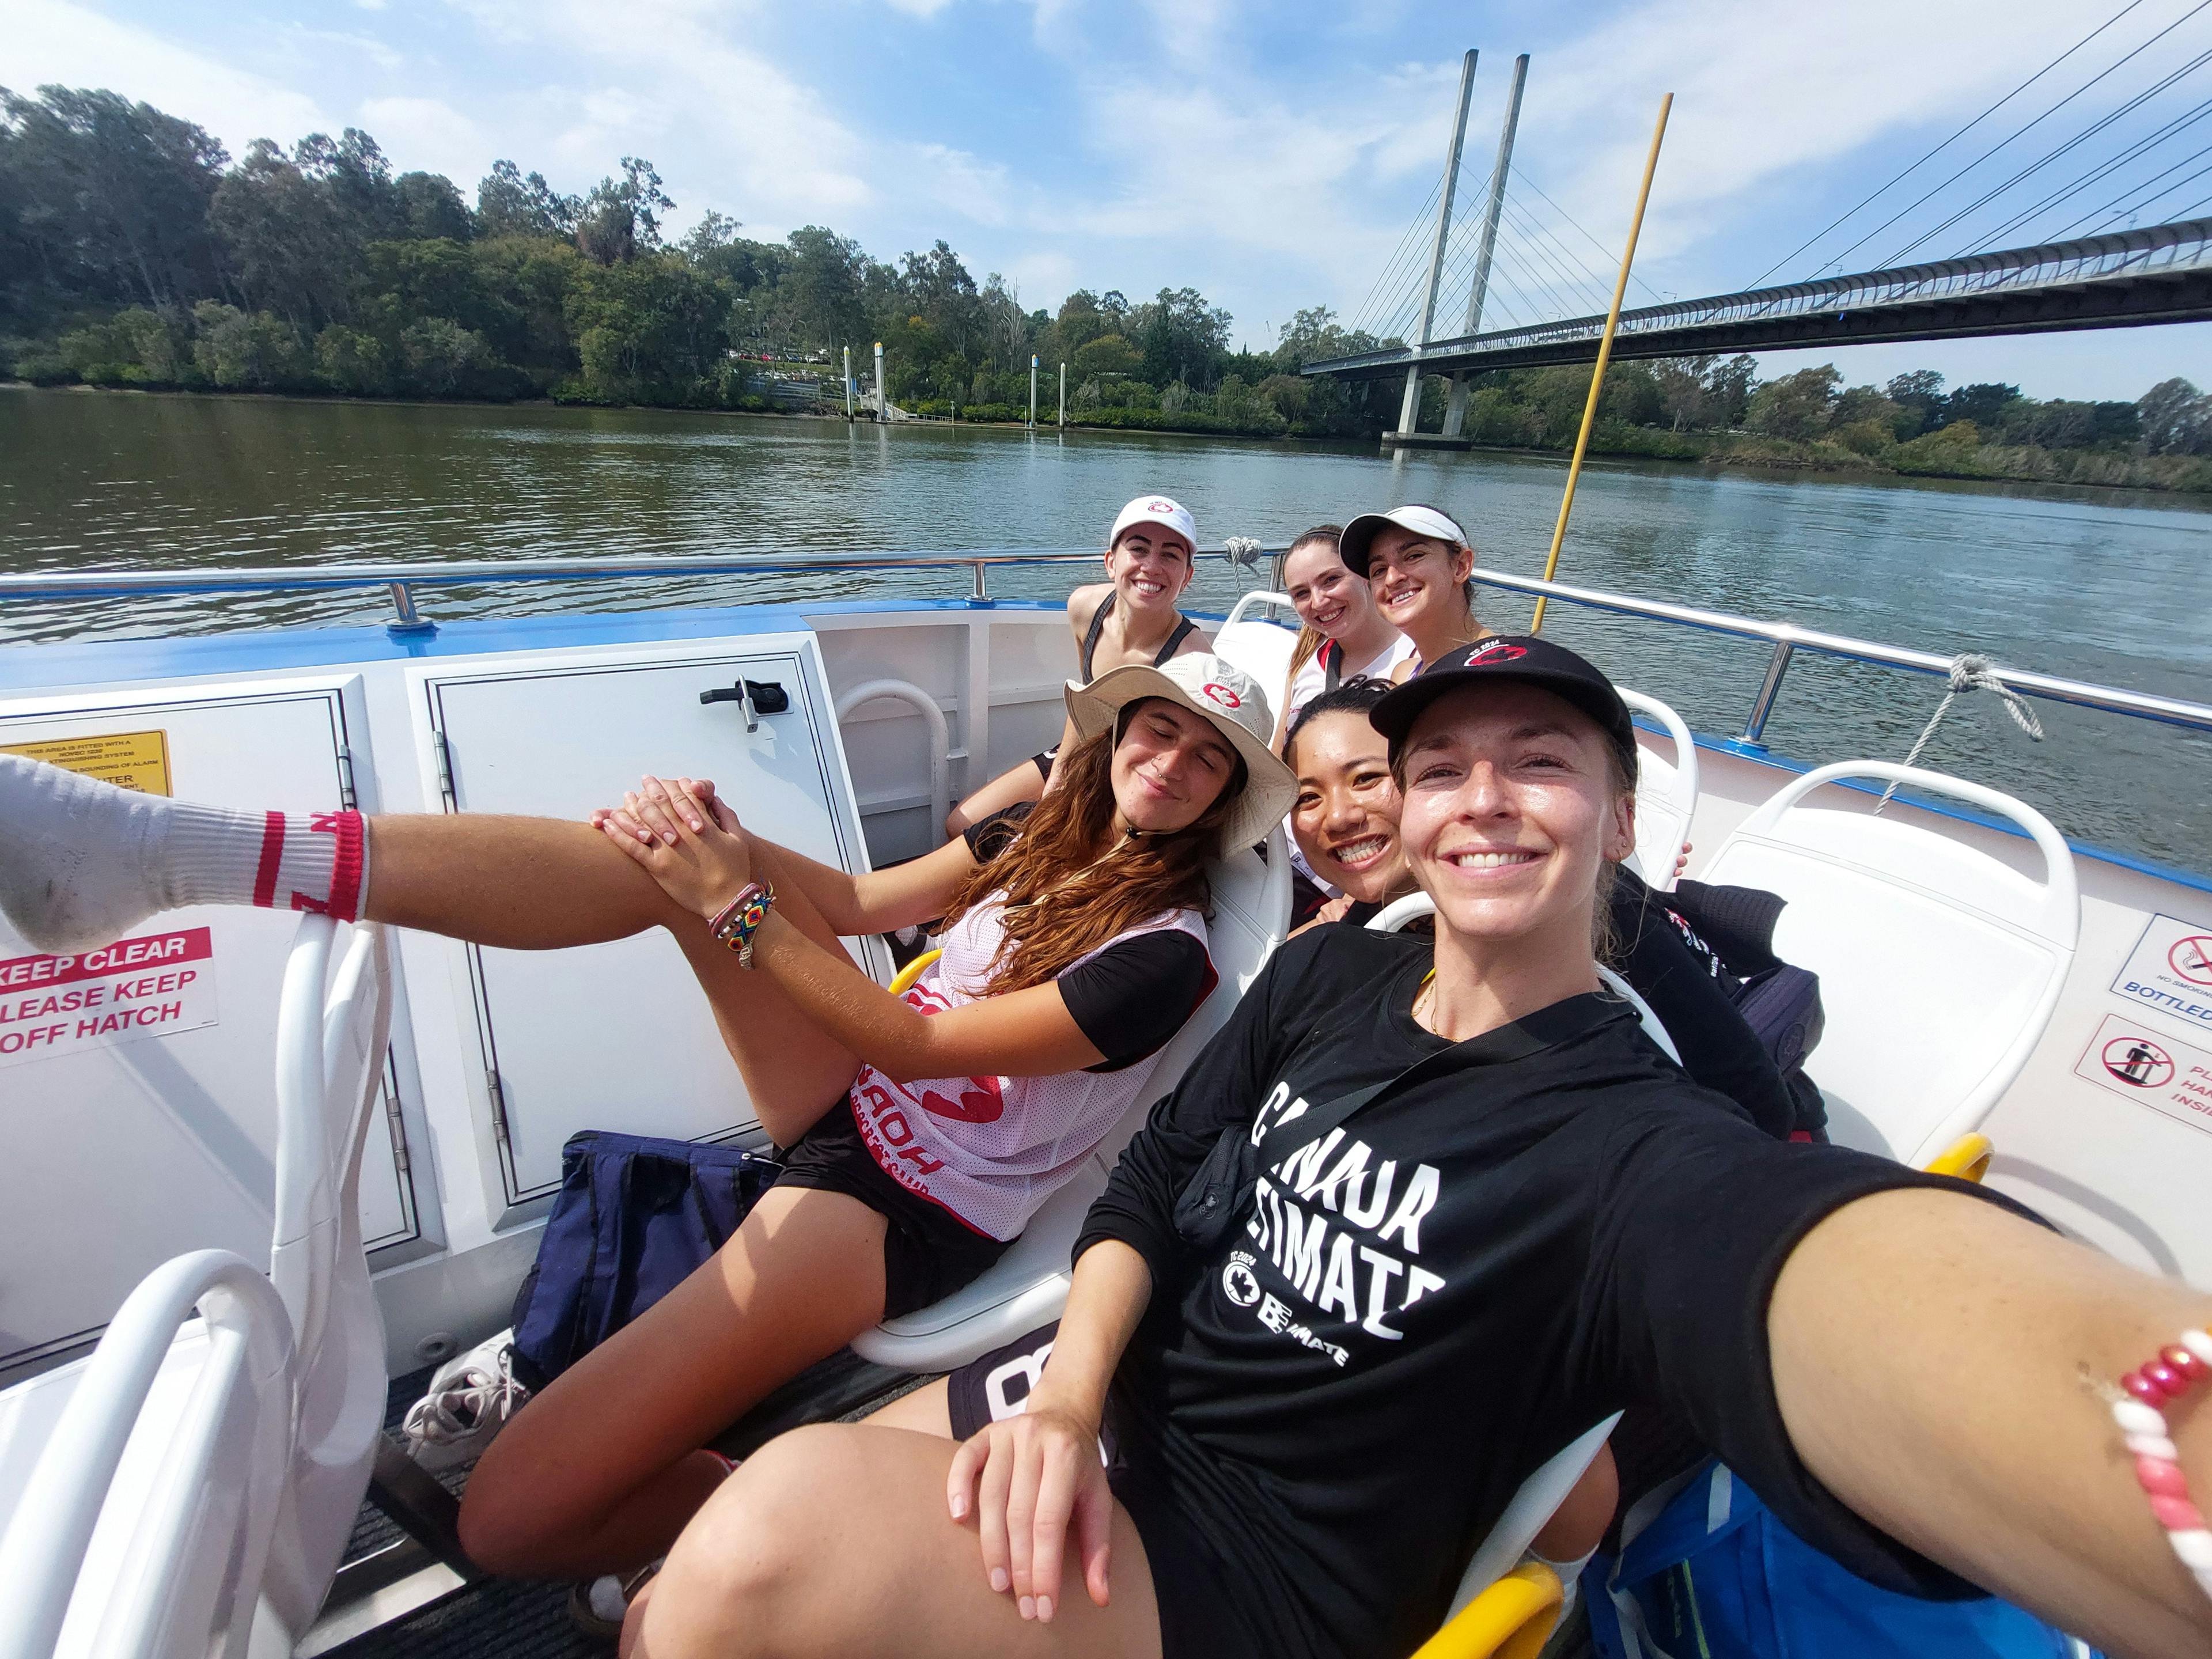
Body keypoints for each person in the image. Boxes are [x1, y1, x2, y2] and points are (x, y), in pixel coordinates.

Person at [620, 637, 2212, 1659]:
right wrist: (1079, 1396)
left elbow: (1821, 1279)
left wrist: (2137, 1433)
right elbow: (1159, 1178)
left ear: (1622, 817)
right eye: (1440, 764)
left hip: (1253, 1566)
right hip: (1113, 1405)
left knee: (760, 1551)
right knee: (721, 1553)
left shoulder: (1632, 1144)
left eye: (1541, 761)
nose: (1480, 799)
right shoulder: (1324, 972)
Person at [0, 651, 1296, 1585]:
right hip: (854, 1109)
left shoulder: (1165, 956)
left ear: (1231, 795)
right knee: (654, 858)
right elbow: (850, 901)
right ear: (1116, 730)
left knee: (508, 1525)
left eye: (1207, 757)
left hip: (907, 1207)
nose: (1170, 763)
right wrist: (715, 847)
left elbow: (912, 1037)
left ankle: (757, 1520)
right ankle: (185, 853)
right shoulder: (1038, 835)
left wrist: (734, 904)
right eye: (1156, 731)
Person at [947, 495, 1215, 838]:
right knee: (961, 825)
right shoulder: (1086, 610)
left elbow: (1180, 764)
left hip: (1136, 777)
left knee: (1037, 848)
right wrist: (1058, 778)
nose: (1151, 565)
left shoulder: (1192, 661)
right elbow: (1083, 702)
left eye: (1170, 555)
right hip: (1083, 748)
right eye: (1139, 549)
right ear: (1111, 562)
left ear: (1187, 576)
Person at [1268, 525, 1411, 751]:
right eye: (1302, 593)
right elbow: (1277, 759)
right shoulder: (1306, 658)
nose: (1318, 602)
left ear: (1365, 574)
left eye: (1331, 580)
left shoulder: (1414, 659)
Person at [1338, 503, 1490, 681]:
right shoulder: (1403, 675)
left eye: (1413, 556)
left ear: (1461, 566)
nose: (1392, 579)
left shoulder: (1504, 668)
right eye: (1379, 570)